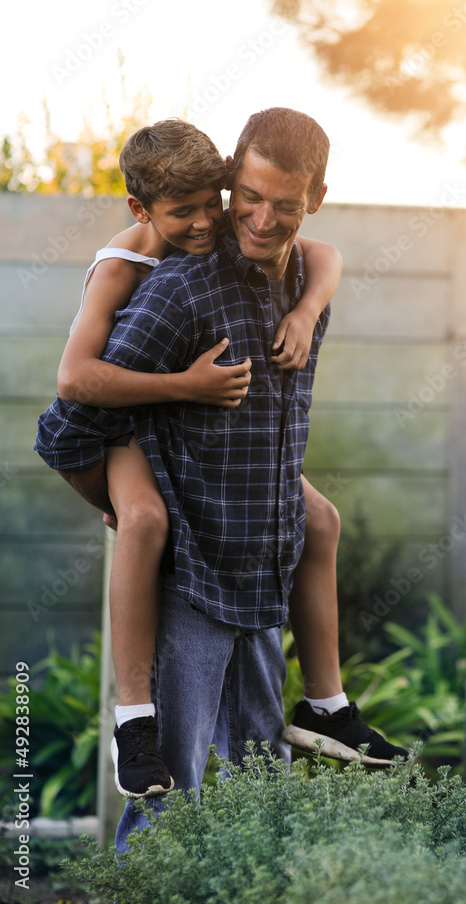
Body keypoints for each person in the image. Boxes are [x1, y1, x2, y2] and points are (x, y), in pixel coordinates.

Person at [34, 112, 406, 823]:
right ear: (236, 178)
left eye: (285, 205)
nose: (253, 220)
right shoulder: (164, 280)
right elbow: (71, 406)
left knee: (255, 800)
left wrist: (305, 308)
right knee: (166, 806)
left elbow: (324, 257)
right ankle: (133, 717)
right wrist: (111, 498)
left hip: (259, 579)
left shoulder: (298, 274)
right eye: (248, 198)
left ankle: (326, 706)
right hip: (191, 567)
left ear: (314, 198)